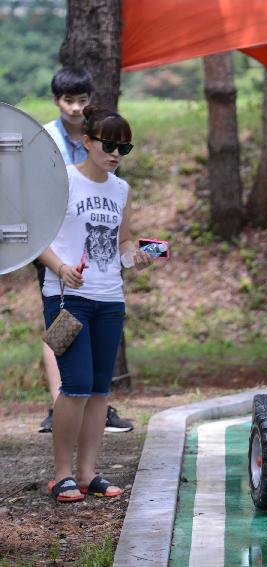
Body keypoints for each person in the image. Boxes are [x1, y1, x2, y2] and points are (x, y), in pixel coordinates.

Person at [38, 106, 151, 502]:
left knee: (100, 389)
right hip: (68, 298)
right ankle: (62, 475)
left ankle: (87, 474)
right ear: (87, 141)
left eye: (125, 147)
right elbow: (38, 239)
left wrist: (134, 257)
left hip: (109, 298)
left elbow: (122, 243)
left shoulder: (121, 189)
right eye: (109, 144)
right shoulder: (63, 181)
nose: (116, 153)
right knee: (76, 385)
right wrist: (60, 266)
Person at [37, 67, 133, 435]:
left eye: (82, 100)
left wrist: (133, 254)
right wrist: (58, 265)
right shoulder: (46, 139)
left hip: (98, 262)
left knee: (94, 382)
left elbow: (123, 235)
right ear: (56, 101)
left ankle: (85, 407)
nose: (75, 108)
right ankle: (57, 401)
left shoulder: (116, 179)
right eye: (68, 101)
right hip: (57, 249)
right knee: (59, 328)